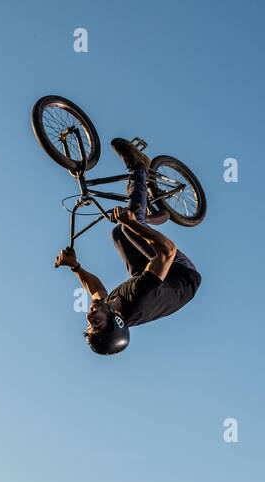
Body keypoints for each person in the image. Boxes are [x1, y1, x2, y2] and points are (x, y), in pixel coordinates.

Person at [54, 137, 201, 355]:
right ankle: (138, 166)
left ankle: (150, 215)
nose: (89, 317)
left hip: (149, 274)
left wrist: (75, 267)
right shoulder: (137, 299)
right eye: (97, 323)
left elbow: (95, 290)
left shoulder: (109, 306)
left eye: (88, 325)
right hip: (181, 274)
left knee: (119, 233)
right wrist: (132, 222)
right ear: (117, 321)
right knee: (128, 227)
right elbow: (168, 251)